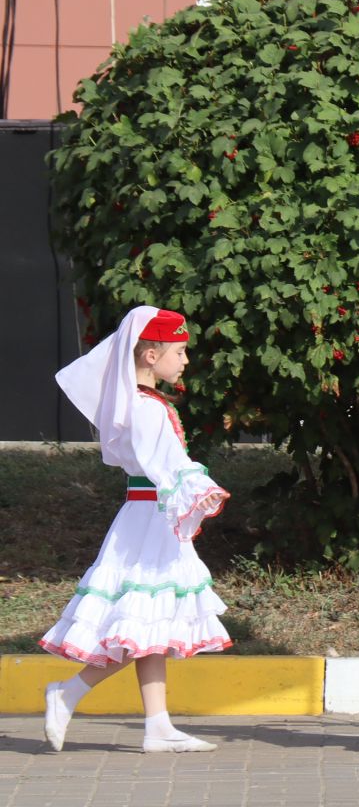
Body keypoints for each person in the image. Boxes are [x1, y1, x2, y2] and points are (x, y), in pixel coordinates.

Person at [40, 308, 231, 754]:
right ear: (150, 353)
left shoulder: (144, 404)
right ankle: (69, 692)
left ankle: (158, 724)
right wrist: (198, 488)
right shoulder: (147, 409)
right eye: (180, 352)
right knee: (142, 621)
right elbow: (165, 467)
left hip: (147, 516)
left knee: (151, 619)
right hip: (149, 518)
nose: (185, 361)